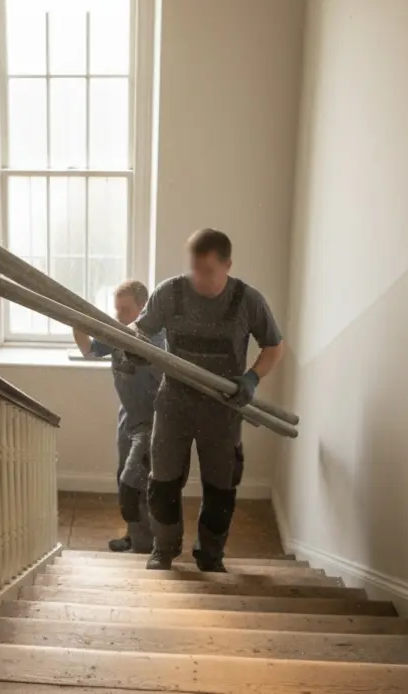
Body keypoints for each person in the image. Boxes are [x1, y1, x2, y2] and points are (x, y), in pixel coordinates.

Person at [132, 229, 284, 572]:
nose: (198, 277)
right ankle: (164, 547)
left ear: (228, 265)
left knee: (221, 486)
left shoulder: (248, 300)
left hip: (223, 408)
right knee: (163, 482)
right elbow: (141, 332)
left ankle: (210, 554)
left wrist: (252, 377)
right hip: (174, 402)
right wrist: (135, 352)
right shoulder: (169, 293)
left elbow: (275, 347)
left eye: (208, 270)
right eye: (194, 268)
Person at [73, 280, 166, 554]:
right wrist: (76, 320)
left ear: (143, 309)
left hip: (153, 422)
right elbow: (88, 350)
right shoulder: (117, 333)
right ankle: (135, 535)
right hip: (127, 418)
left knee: (135, 484)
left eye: (125, 310)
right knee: (124, 480)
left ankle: (147, 546)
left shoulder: (159, 339)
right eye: (117, 311)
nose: (119, 317)